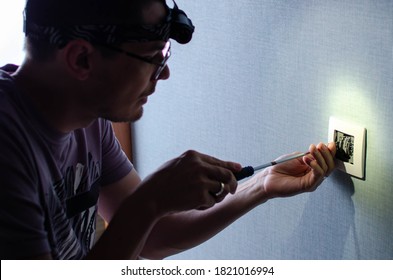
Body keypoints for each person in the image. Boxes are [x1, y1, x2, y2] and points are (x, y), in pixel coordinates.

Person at [0, 0, 336, 260]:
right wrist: (151, 200)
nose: (164, 74)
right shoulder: (8, 144)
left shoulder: (87, 120)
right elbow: (145, 218)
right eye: (152, 58)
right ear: (82, 60)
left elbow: (153, 235)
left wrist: (262, 185)